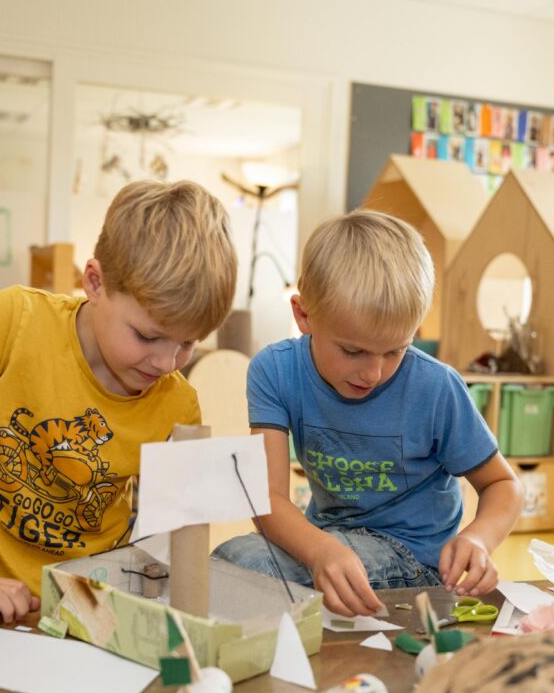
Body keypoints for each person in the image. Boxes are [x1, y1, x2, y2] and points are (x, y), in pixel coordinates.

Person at [0, 180, 237, 625]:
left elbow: (174, 542)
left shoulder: (179, 404)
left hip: (87, 613)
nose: (167, 362)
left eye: (188, 343)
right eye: (147, 335)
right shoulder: (15, 321)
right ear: (95, 282)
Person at [213, 209, 522, 617]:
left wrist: (479, 540)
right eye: (353, 351)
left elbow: (503, 484)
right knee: (227, 563)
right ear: (303, 315)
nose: (373, 373)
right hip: (330, 539)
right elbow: (267, 499)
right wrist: (323, 549)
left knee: (243, 567)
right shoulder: (275, 370)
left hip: (415, 559)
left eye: (396, 350)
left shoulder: (436, 387)